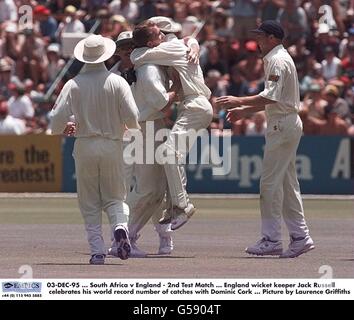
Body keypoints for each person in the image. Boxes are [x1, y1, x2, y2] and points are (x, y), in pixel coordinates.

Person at [216, 20, 314, 258]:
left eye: (260, 36)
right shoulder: (276, 58)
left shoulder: (277, 60)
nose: (257, 41)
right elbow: (274, 100)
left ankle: (271, 239)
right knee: (287, 185)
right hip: (284, 122)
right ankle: (300, 236)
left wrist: (239, 102)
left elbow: (271, 97)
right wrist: (245, 111)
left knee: (269, 185)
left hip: (282, 125)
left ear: (272, 38)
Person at [49, 34, 140, 265]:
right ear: (106, 56)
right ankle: (120, 228)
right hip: (112, 144)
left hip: (85, 144)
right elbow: (133, 116)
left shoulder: (73, 84)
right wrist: (128, 127)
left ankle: (97, 250)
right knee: (116, 197)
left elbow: (56, 117)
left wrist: (63, 127)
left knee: (89, 201)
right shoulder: (117, 81)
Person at [131, 21, 213, 231]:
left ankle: (182, 206)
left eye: (161, 34)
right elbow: (188, 39)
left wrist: (192, 43)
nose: (162, 37)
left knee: (168, 154)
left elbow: (136, 57)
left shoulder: (168, 47)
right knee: (171, 155)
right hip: (191, 105)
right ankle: (174, 207)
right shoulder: (174, 48)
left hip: (196, 104)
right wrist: (193, 43)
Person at [109, 30, 177, 257]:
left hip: (147, 130)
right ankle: (121, 236)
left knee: (154, 186)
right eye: (124, 48)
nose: (128, 51)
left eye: (131, 47)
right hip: (123, 136)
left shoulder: (149, 67)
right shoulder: (112, 76)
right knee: (127, 191)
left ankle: (163, 235)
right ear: (118, 51)